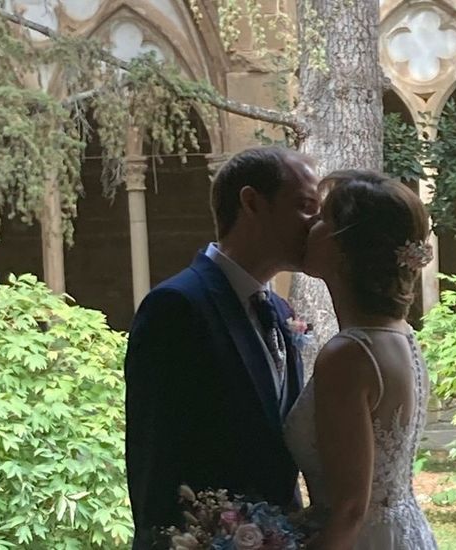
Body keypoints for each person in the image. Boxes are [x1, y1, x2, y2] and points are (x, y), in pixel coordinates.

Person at [124, 146, 320, 549]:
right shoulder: (177, 307)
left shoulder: (281, 311)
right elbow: (153, 461)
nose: (315, 223)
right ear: (251, 203)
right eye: (304, 206)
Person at [284, 170, 438, 549]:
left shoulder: (349, 355)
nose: (309, 226)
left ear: (345, 247)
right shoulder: (400, 334)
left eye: (322, 219)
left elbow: (351, 508)